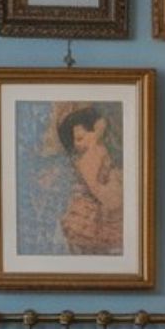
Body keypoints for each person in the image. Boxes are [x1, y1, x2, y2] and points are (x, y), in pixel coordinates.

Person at [55, 104, 123, 257]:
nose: (80, 144)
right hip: (87, 217)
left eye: (82, 137)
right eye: (77, 140)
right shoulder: (89, 158)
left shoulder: (100, 151)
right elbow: (100, 190)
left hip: (100, 212)